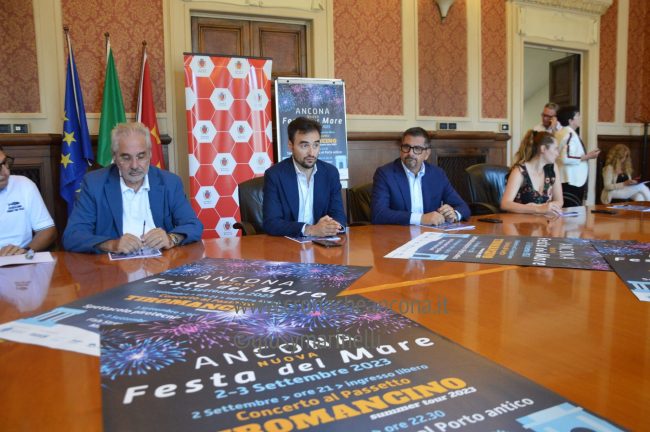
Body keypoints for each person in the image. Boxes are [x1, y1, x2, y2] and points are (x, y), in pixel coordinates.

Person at [63, 122, 202, 253]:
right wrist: (113, 244)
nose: (135, 165)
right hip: (115, 267)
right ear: (115, 157)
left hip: (162, 263)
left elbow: (193, 225)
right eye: (126, 158)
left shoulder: (170, 183)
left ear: (150, 154)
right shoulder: (94, 184)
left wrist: (171, 239)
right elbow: (72, 236)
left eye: (141, 156)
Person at [263, 117, 346, 237]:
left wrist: (332, 227)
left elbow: (338, 215)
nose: (311, 153)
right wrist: (309, 229)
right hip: (287, 244)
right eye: (304, 146)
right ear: (290, 145)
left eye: (316, 145)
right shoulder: (275, 175)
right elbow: (271, 223)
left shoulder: (330, 173)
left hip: (323, 243)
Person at [371, 127, 470, 225]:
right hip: (399, 233)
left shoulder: (437, 174)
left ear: (427, 154)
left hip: (430, 233)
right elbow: (378, 214)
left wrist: (454, 214)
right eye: (406, 147)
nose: (410, 153)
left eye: (417, 148)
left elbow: (463, 207)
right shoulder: (385, 174)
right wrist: (421, 218)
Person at [0, 145, 57, 256]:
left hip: (21, 259)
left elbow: (48, 231)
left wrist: (26, 252)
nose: (6, 172)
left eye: (5, 162)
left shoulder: (24, 184)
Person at [500, 130, 564, 217]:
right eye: (555, 149)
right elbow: (505, 204)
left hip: (544, 221)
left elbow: (559, 201)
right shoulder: (519, 171)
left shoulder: (552, 168)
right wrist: (538, 209)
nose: (558, 154)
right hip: (519, 222)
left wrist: (543, 208)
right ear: (543, 149)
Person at [555, 106, 600, 206]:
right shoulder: (569, 134)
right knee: (572, 211)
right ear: (570, 120)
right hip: (571, 181)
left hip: (566, 179)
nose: (580, 118)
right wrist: (588, 156)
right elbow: (566, 158)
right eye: (578, 115)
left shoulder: (560, 133)